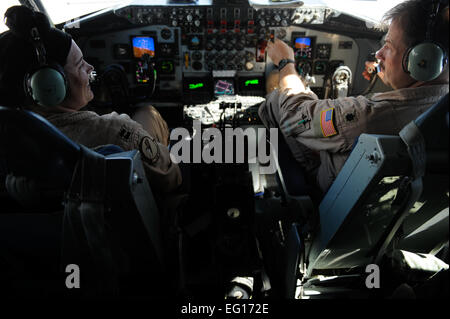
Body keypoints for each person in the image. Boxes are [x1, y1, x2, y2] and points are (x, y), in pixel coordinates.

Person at [259, 0, 449, 194]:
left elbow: (294, 118)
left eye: (389, 46)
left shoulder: (368, 115)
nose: (378, 53)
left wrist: (286, 64)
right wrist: (389, 71)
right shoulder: (442, 108)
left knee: (277, 99)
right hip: (388, 203)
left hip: (326, 187)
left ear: (422, 62)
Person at [0, 6, 181, 195]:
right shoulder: (116, 132)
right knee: (147, 113)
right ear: (49, 86)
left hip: (43, 222)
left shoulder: (10, 140)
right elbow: (170, 178)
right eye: (80, 65)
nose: (90, 67)